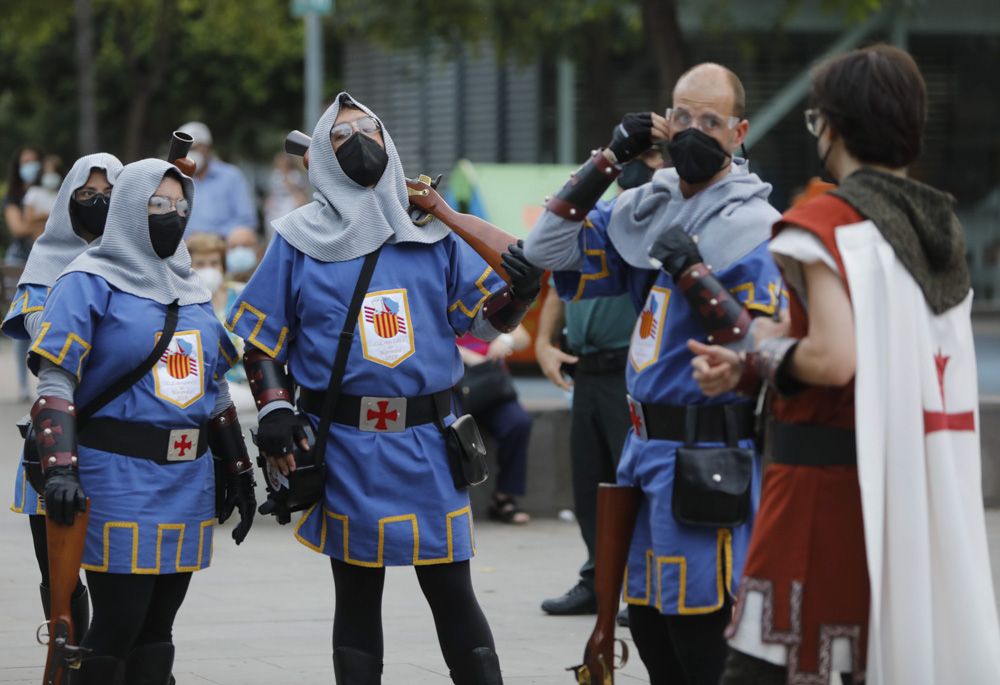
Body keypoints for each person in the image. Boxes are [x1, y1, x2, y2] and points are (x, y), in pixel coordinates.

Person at [690, 45, 1000, 685]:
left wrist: (763, 358)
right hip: (908, 484)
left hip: (817, 492)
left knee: (763, 669)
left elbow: (832, 358)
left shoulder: (826, 221)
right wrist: (753, 363)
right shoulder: (932, 223)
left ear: (833, 125)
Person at [227, 92, 541, 684]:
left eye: (368, 128)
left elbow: (481, 319)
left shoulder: (434, 232)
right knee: (357, 592)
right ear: (321, 156)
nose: (359, 142)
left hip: (430, 441)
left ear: (389, 141)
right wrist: (272, 408)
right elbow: (259, 337)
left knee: (452, 589)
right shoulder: (297, 237)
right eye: (341, 137)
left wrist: (518, 295)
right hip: (344, 444)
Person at [524, 63, 783, 684]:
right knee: (645, 624)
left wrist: (695, 273)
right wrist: (608, 161)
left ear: (739, 131)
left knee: (700, 632)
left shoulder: (758, 229)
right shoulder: (645, 208)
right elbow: (544, 250)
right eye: (683, 116)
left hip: (707, 449)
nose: (694, 131)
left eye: (711, 121)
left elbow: (762, 348)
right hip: (640, 450)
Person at [28, 158, 256, 684]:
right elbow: (56, 379)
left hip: (186, 480)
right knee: (117, 626)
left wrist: (237, 467)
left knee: (159, 632)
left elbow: (214, 385)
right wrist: (59, 468)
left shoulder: (193, 289)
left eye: (180, 207)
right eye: (157, 205)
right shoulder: (86, 281)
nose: (171, 215)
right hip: (116, 479)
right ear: (130, 207)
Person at [2, 152, 123, 649]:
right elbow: (35, 329)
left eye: (109, 195)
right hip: (54, 442)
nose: (97, 204)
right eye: (86, 195)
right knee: (61, 580)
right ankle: (67, 655)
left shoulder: (152, 263)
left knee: (124, 576)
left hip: (122, 444)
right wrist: (79, 310)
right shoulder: (46, 262)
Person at [538, 151, 663, 617]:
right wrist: (547, 344)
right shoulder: (602, 219)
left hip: (628, 370)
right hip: (586, 368)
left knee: (631, 481)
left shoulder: (651, 222)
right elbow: (554, 283)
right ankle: (598, 578)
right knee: (589, 482)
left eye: (653, 154)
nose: (641, 163)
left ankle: (641, 585)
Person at [456, 324, 533, 524]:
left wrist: (505, 340)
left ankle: (503, 497)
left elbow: (524, 338)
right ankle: (451, 501)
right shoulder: (439, 299)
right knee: (448, 430)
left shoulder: (486, 296)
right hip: (454, 386)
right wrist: (464, 355)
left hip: (491, 387)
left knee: (518, 422)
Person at [4, 144, 46, 401]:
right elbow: (18, 228)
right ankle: (22, 384)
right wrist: (39, 213)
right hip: (20, 261)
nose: (29, 166)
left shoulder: (51, 190)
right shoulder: (13, 196)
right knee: (22, 321)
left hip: (45, 261)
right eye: (24, 161)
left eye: (33, 161)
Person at [177, 120, 258, 238]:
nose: (190, 153)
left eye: (194, 148)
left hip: (222, 249)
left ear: (208, 147)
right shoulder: (179, 179)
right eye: (186, 150)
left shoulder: (231, 177)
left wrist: (211, 237)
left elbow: (247, 221)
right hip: (185, 251)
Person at [264, 151, 308, 239]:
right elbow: (272, 191)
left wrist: (285, 174)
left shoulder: (295, 174)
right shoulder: (276, 174)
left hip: (290, 201)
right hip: (277, 202)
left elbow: (297, 191)